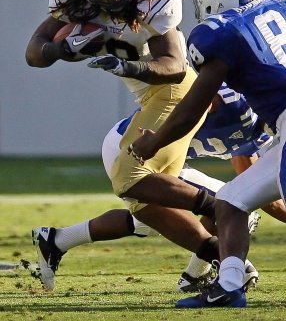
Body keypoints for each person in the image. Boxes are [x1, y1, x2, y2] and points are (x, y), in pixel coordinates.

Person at [26, 0, 220, 291]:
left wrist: (127, 68)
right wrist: (61, 50)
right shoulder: (74, 0)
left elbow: (175, 66)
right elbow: (34, 53)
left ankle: (219, 207)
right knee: (145, 208)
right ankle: (228, 260)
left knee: (128, 177)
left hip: (175, 91)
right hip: (151, 99)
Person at [128, 0, 286, 308]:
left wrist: (154, 142)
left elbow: (192, 107)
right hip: (282, 132)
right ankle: (229, 286)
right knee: (230, 200)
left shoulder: (219, 33)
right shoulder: (279, 1)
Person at [31, 84, 269, 291]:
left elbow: (253, 177)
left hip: (147, 152)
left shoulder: (256, 117)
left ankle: (57, 240)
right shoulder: (235, 99)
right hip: (138, 150)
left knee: (151, 221)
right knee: (233, 207)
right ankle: (200, 273)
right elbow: (255, 182)